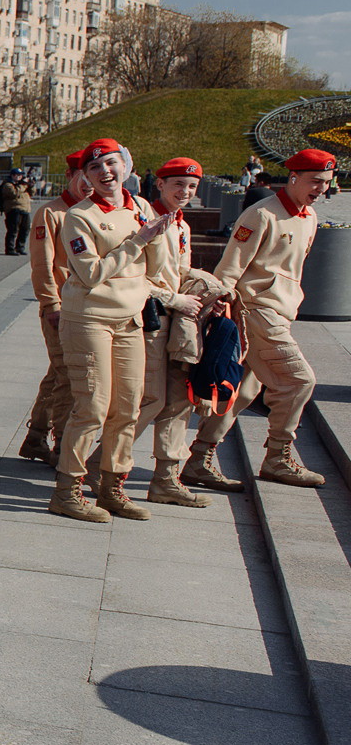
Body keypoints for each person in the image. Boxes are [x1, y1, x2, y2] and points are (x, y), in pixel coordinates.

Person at [181, 149, 337, 491]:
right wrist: (221, 306)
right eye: (315, 182)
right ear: (293, 177)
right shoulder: (261, 214)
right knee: (300, 380)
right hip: (255, 311)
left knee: (244, 390)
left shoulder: (308, 217)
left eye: (326, 183)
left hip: (280, 311)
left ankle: (198, 460)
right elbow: (230, 267)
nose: (321, 189)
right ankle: (278, 457)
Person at [52, 139, 173, 522]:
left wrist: (156, 237)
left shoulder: (141, 207)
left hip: (129, 318)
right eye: (95, 168)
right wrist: (139, 240)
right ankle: (67, 489)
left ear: (126, 165)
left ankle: (112, 487)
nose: (105, 173)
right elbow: (89, 274)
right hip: (89, 318)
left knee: (128, 406)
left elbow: (156, 267)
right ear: (85, 176)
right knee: (93, 406)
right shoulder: (80, 216)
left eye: (111, 163)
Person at [133, 158, 225, 507]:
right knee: (149, 399)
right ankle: (103, 466)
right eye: (177, 185)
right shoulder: (145, 220)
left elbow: (179, 269)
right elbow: (130, 276)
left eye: (191, 187)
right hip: (150, 320)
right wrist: (175, 298)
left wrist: (207, 295)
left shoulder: (180, 226)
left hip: (177, 321)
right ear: (160, 183)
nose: (184, 192)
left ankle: (166, 479)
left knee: (178, 401)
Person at [17, 153, 90, 464]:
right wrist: (50, 303)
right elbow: (42, 264)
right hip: (60, 308)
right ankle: (62, 445)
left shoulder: (92, 212)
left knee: (58, 373)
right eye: (83, 176)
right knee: (68, 377)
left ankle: (35, 437)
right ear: (71, 175)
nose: (90, 183)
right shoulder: (52, 213)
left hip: (88, 311)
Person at [0, 169, 33, 255]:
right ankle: (10, 249)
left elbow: (32, 193)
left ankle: (20, 247)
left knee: (25, 229)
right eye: (17, 175)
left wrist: (31, 185)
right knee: (13, 230)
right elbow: (14, 193)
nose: (19, 177)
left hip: (25, 209)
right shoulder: (8, 184)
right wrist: (23, 185)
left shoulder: (22, 185)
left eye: (20, 175)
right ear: (12, 175)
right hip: (13, 210)